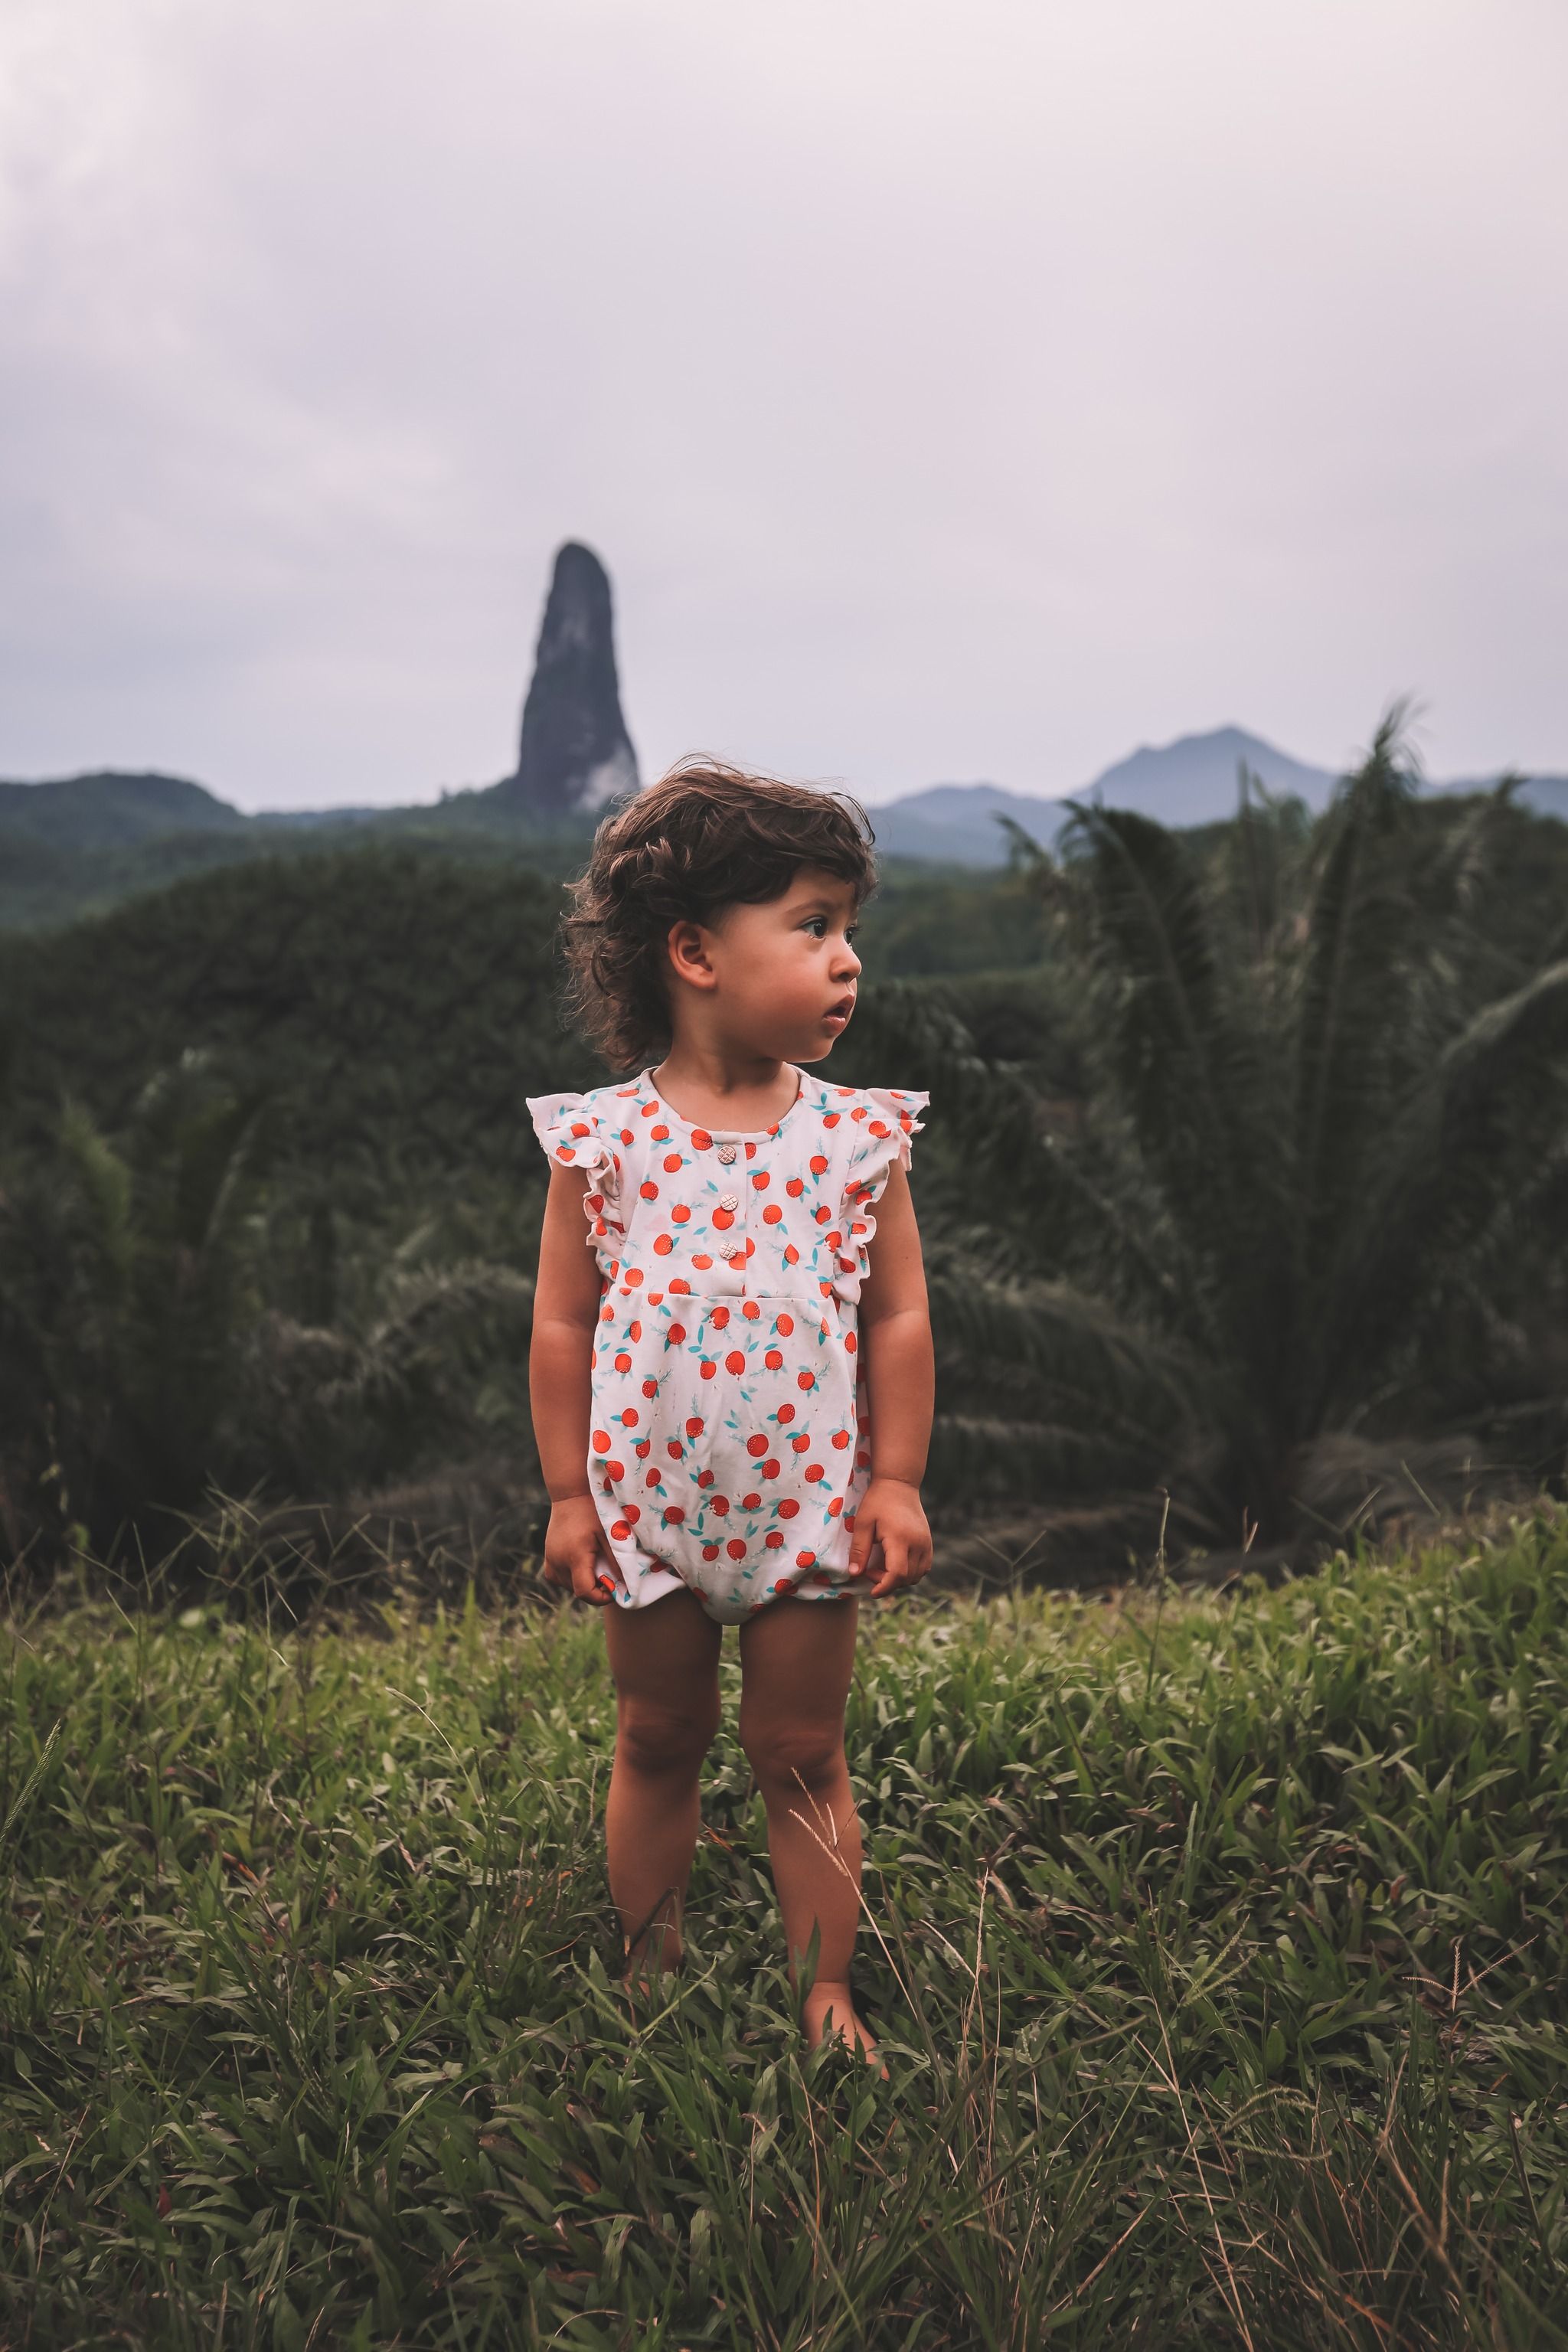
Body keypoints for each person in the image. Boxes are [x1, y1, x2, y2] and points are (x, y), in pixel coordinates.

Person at [526, 759, 934, 2066]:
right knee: (656, 1737)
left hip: (808, 1516)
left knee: (803, 1750)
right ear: (695, 952)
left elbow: (898, 1317)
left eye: (848, 929)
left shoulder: (859, 1140)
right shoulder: (604, 1143)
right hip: (646, 1518)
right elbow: (562, 1324)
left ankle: (827, 1991)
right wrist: (570, 1497)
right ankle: (648, 1972)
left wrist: (896, 1481)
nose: (847, 960)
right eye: (813, 927)